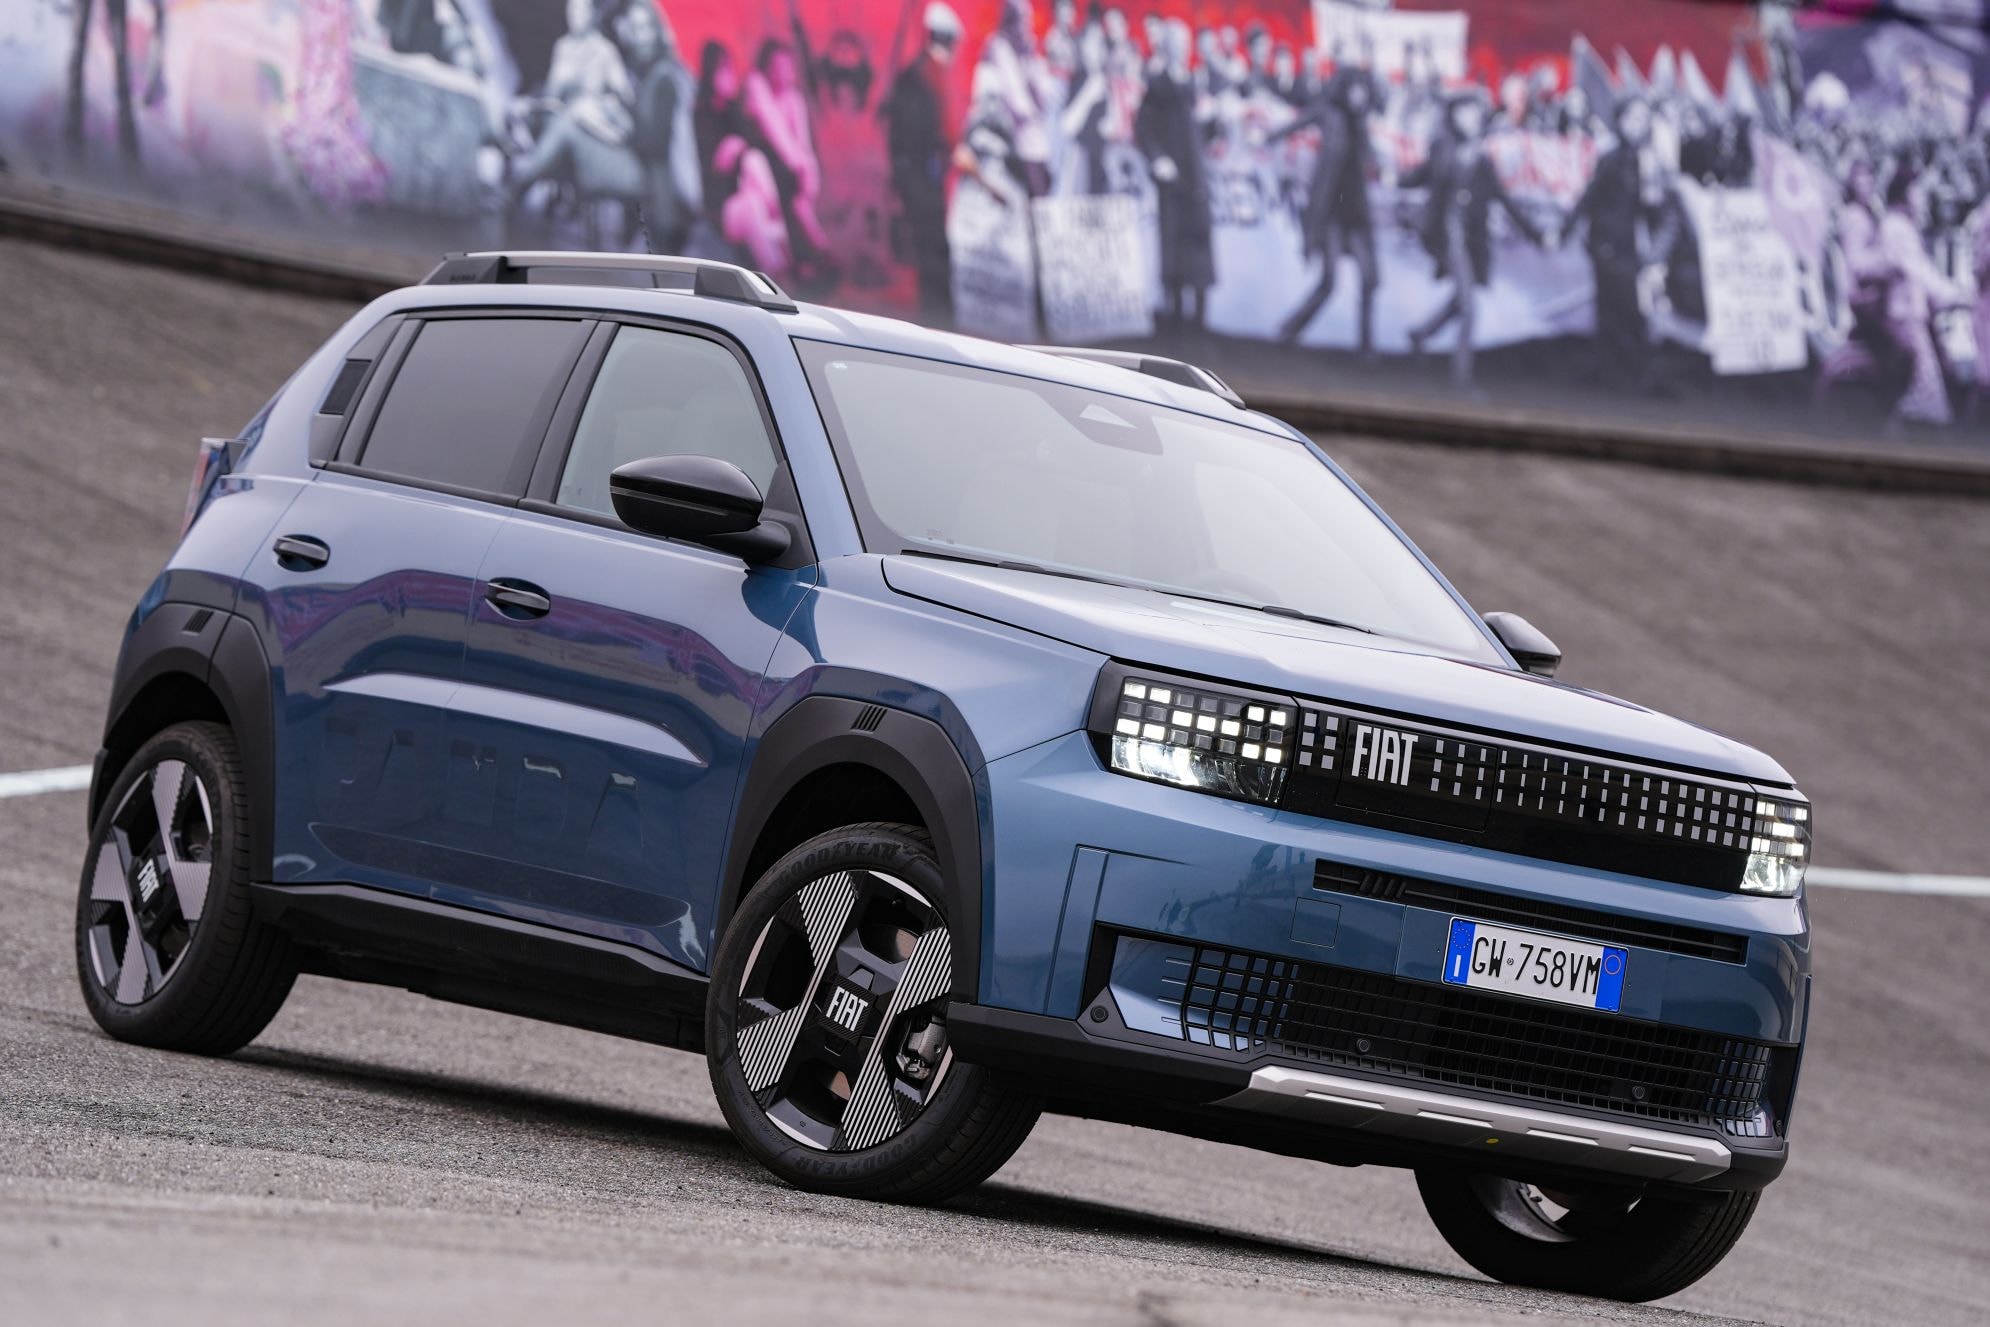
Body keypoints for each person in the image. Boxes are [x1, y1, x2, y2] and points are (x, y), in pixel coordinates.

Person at [1404, 91, 1549, 389]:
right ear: (1454, 117)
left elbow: (1503, 199)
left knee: (1461, 300)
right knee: (1469, 308)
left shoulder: (1482, 159)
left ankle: (1420, 334)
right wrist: (1393, 178)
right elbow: (1422, 175)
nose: (1469, 118)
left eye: (1473, 112)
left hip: (1471, 239)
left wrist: (1535, 233)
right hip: (1448, 235)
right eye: (1463, 112)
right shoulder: (1443, 148)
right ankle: (1461, 379)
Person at [1266, 63, 1383, 354]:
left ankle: (1366, 346)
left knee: (1370, 279)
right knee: (1330, 281)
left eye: (1362, 89)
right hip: (1332, 213)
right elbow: (1298, 124)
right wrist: (1268, 139)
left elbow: (1370, 161)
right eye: (1355, 88)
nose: (1359, 95)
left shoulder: (1361, 123)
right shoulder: (1330, 113)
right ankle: (1289, 329)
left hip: (1357, 215)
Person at [1562, 96, 1661, 387]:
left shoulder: (1645, 160)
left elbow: (1651, 206)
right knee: (1620, 308)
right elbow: (1588, 198)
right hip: (1607, 243)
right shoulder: (1613, 157)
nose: (1637, 125)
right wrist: (1566, 230)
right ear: (1620, 121)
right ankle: (1626, 373)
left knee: (1620, 309)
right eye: (1632, 118)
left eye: (1643, 120)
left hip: (1629, 244)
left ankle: (1619, 372)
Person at [884, 3, 964, 320]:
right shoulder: (922, 78)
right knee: (932, 253)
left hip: (925, 179)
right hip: (919, 181)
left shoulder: (924, 75)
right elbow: (925, 134)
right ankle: (938, 317)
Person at [1136, 19, 1215, 332]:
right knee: (1172, 241)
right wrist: (1158, 159)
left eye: (1185, 43)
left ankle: (1200, 317)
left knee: (1199, 240)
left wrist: (1213, 121)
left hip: (1197, 177)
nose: (1182, 49)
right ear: (1166, 47)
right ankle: (1175, 313)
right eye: (1176, 44)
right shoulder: (1157, 85)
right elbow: (1143, 127)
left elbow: (1207, 134)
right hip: (1173, 178)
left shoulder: (1195, 84)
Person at [694, 40, 791, 273]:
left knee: (753, 189)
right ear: (711, 74)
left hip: (747, 198)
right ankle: (781, 243)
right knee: (752, 173)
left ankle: (778, 269)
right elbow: (708, 174)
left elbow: (757, 145)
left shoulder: (733, 111)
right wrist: (724, 159)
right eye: (724, 70)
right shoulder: (701, 117)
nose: (730, 76)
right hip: (719, 211)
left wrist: (737, 144)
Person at [615, 1, 701, 255]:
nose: (640, 37)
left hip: (668, 203)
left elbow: (655, 144)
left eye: (645, 28)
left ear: (657, 30)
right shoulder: (639, 70)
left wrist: (623, 124)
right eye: (634, 29)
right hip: (655, 201)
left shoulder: (665, 76)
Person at [744, 38, 834, 273]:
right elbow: (775, 132)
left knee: (798, 197)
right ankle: (813, 254)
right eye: (776, 67)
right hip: (764, 167)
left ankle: (817, 254)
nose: (782, 73)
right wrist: (800, 167)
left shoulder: (794, 98)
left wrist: (808, 172)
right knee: (788, 194)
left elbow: (801, 140)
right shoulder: (757, 88)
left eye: (786, 67)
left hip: (788, 171)